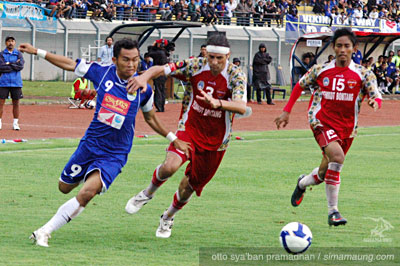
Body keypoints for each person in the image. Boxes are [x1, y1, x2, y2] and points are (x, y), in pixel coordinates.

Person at [18, 38, 190, 247]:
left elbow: (151, 118)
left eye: (135, 60)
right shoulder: (102, 73)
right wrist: (37, 51)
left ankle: (44, 231)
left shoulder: (143, 90)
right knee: (64, 187)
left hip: (115, 154)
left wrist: (174, 139)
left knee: (87, 193)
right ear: (115, 59)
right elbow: (69, 64)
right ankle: (89, 175)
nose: (131, 65)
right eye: (126, 60)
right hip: (90, 145)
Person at [124, 34, 247, 238]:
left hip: (216, 142)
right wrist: (144, 77)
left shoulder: (236, 75)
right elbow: (161, 68)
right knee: (170, 166)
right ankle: (146, 194)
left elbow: (241, 106)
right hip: (189, 129)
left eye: (220, 58)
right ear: (205, 53)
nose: (214, 63)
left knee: (188, 186)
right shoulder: (195, 65)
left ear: (228, 56)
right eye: (211, 57)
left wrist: (218, 103)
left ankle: (167, 217)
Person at [274, 28, 382, 227]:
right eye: (339, 45)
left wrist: (375, 102)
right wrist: (287, 111)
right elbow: (299, 86)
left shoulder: (363, 74)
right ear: (333, 47)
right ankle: (333, 212)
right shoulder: (320, 70)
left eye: (347, 46)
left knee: (325, 173)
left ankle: (302, 183)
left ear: (354, 49)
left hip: (347, 129)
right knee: (337, 158)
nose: (342, 49)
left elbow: (375, 93)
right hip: (321, 121)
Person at [0, 36, 24, 131]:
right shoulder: (1, 54)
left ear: (15, 43)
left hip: (16, 82)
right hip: (3, 82)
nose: (10, 43)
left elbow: (20, 66)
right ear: (6, 43)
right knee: (1, 103)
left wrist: (8, 64)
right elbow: (1, 67)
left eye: (12, 41)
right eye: (8, 41)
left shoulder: (18, 54)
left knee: (16, 103)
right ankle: (0, 122)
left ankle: (15, 123)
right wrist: (13, 64)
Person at [147, 39, 174, 112]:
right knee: (161, 90)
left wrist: (152, 46)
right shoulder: (165, 52)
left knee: (158, 90)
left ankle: (159, 106)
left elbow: (149, 53)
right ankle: (161, 106)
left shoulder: (159, 53)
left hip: (158, 73)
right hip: (163, 73)